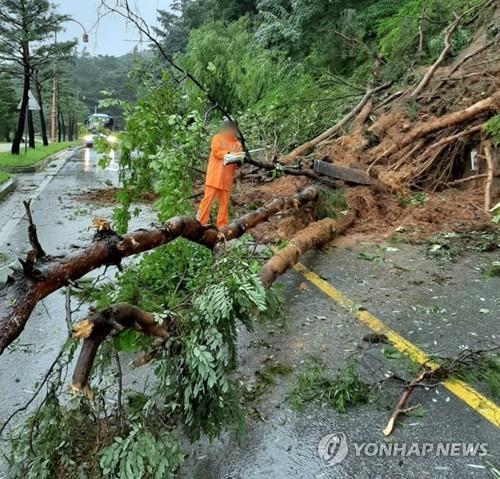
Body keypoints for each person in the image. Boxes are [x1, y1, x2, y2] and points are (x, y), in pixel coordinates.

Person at [197, 119, 245, 229]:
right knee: (207, 201)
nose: (231, 130)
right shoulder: (217, 138)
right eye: (229, 127)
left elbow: (237, 164)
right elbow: (216, 152)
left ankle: (222, 227)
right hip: (214, 176)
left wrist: (239, 160)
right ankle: (199, 223)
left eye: (232, 128)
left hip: (227, 179)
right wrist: (228, 154)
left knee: (224, 204)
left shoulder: (237, 144)